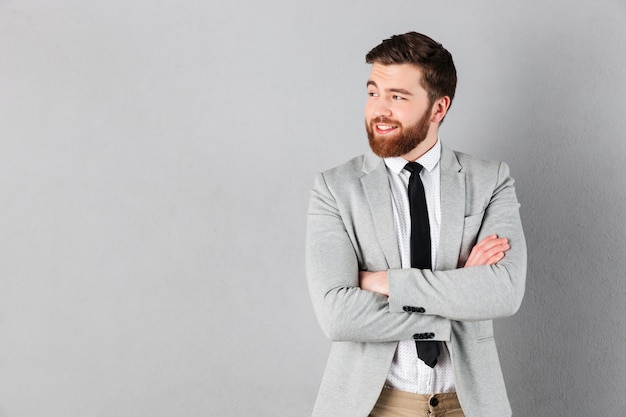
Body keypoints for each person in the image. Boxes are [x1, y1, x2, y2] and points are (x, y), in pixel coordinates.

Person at [305, 32, 526, 417]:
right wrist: (459, 291)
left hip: (469, 405)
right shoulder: (335, 189)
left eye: (398, 97)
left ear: (438, 108)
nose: (379, 109)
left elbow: (503, 292)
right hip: (373, 405)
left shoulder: (490, 180)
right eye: (373, 92)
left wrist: (384, 282)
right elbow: (337, 315)